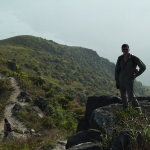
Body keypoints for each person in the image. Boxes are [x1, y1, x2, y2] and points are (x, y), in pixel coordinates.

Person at [115, 44, 146, 110]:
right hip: (121, 80)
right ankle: (125, 107)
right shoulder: (120, 58)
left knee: (131, 96)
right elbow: (117, 70)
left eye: (126, 49)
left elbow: (143, 67)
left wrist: (136, 74)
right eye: (124, 49)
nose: (125, 50)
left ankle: (137, 109)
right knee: (123, 95)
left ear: (129, 49)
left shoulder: (134, 58)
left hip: (129, 81)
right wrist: (117, 81)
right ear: (122, 50)